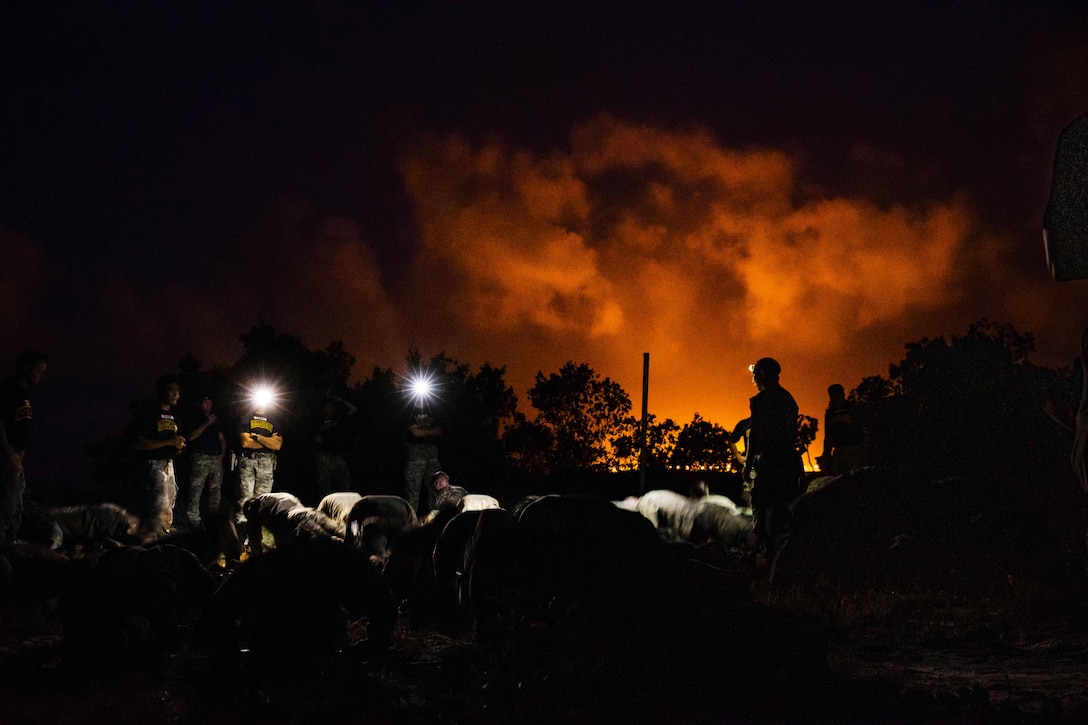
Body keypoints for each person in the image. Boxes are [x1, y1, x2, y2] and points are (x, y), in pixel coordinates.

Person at [743, 357, 802, 558]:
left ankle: (768, 560)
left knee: (762, 511)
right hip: (787, 465)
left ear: (761, 375)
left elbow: (757, 434)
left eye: (755, 374)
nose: (753, 379)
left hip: (768, 465)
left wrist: (748, 464)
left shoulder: (760, 401)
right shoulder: (789, 400)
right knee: (787, 513)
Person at [0, 350, 48, 544]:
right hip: (6, 454)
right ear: (25, 367)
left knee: (16, 502)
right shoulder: (8, 390)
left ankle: (11, 542)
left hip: (16, 454)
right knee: (7, 502)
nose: (41, 375)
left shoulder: (23, 394)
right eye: (39, 370)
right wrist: (9, 456)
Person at [132, 375, 186, 537]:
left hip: (169, 464)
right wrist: (168, 442)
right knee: (158, 504)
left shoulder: (176, 418)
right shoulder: (150, 414)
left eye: (178, 391)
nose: (177, 394)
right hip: (153, 464)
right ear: (161, 391)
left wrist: (178, 447)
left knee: (170, 501)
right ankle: (152, 538)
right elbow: (139, 443)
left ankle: (164, 534)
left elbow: (177, 444)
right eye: (172, 390)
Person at [237, 398, 283, 524]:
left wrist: (257, 437)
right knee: (246, 497)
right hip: (248, 460)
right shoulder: (246, 417)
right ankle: (243, 528)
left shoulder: (274, 419)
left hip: (267, 462)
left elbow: (277, 445)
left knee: (263, 498)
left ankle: (257, 530)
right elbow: (246, 442)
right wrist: (268, 442)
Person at [185, 395, 226, 531]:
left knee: (215, 490)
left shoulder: (217, 420)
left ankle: (213, 519)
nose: (207, 405)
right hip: (200, 457)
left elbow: (221, 438)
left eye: (209, 403)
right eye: (205, 403)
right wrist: (206, 423)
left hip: (215, 458)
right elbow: (191, 437)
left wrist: (222, 454)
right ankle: (193, 520)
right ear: (200, 404)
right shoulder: (195, 418)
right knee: (196, 489)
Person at [313, 393, 357, 500]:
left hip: (339, 457)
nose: (329, 410)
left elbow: (354, 409)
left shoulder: (340, 419)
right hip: (325, 458)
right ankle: (324, 511)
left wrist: (339, 399)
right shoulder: (318, 421)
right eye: (327, 408)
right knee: (324, 489)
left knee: (345, 486)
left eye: (331, 408)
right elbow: (314, 438)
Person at [818, 384, 868, 475]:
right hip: (839, 452)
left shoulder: (853, 410)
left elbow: (865, 430)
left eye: (837, 397)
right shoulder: (830, 414)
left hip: (854, 451)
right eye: (832, 397)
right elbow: (828, 437)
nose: (834, 400)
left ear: (842, 396)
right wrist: (826, 456)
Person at [404, 405, 443, 517]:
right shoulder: (409, 409)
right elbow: (415, 432)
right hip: (416, 452)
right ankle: (411, 522)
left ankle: (435, 519)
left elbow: (439, 430)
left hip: (432, 451)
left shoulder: (433, 409)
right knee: (413, 490)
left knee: (436, 487)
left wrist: (425, 431)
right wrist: (431, 431)